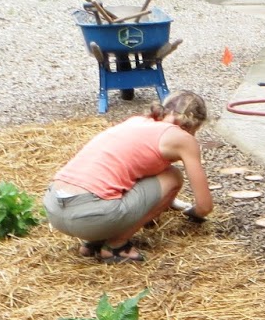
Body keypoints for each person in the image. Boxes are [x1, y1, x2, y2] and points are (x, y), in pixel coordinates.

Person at [44, 91, 215, 264]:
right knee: (173, 176)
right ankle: (117, 246)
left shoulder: (136, 121)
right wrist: (191, 212)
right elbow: (204, 206)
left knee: (116, 179)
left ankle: (94, 241)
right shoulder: (183, 138)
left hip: (53, 208)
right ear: (194, 125)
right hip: (92, 218)